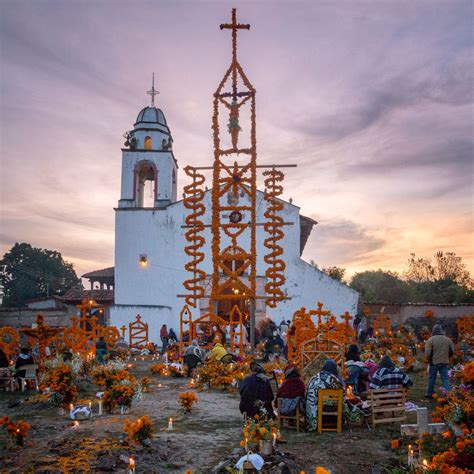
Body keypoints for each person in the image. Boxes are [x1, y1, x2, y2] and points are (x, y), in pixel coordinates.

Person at [425, 324, 454, 399]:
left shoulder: (431, 340)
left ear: (433, 331)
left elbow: (427, 353)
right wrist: (447, 358)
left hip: (434, 362)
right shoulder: (447, 339)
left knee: (432, 378)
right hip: (444, 362)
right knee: (445, 378)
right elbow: (452, 351)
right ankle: (448, 394)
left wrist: (429, 359)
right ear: (441, 331)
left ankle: (430, 393)